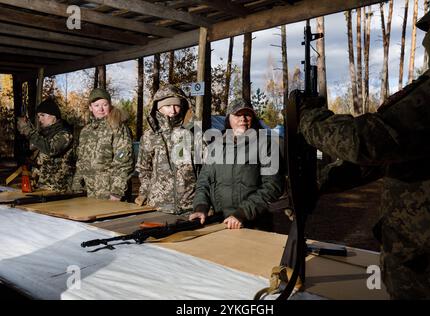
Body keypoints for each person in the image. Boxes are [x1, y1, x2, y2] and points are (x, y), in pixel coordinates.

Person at [297, 0, 430, 299]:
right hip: (424, 260)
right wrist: (321, 181)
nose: (429, 36)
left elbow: (367, 142)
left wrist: (308, 119)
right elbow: (390, 154)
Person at [189, 98, 284, 229]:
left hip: (253, 223)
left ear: (253, 118)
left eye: (247, 114)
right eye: (237, 115)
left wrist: (243, 213)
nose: (243, 119)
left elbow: (273, 186)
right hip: (219, 223)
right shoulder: (215, 146)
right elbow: (203, 182)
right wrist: (200, 207)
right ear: (228, 119)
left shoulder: (266, 144)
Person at [134, 85, 197, 214]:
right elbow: (144, 168)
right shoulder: (149, 136)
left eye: (177, 105)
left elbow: (204, 170)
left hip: (190, 205)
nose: (173, 110)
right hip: (158, 205)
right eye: (168, 106)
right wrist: (146, 192)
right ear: (158, 107)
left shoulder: (192, 134)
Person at [72, 88, 133, 201]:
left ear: (110, 105)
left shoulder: (117, 127)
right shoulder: (86, 131)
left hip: (109, 195)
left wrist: (117, 192)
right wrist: (77, 185)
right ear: (90, 107)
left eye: (104, 104)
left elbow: (124, 162)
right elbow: (81, 161)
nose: (101, 109)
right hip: (88, 193)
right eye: (96, 105)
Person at [16, 98, 75, 192]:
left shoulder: (65, 134)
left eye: (43, 115)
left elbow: (50, 149)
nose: (40, 119)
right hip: (41, 188)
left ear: (54, 116)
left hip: (59, 190)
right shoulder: (44, 135)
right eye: (39, 116)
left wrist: (29, 132)